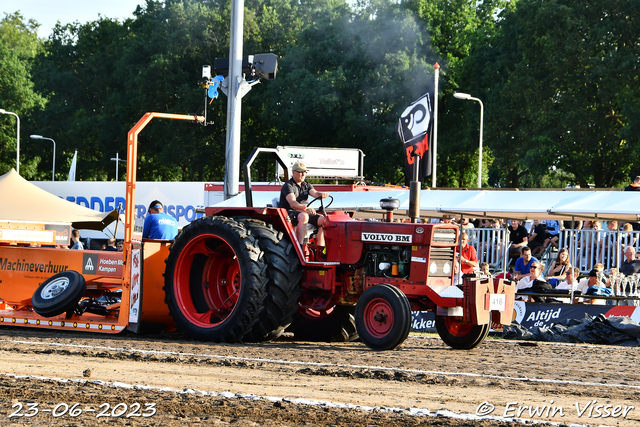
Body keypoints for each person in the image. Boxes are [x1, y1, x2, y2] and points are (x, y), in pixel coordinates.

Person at [279, 161, 329, 246]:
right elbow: (292, 203)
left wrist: (321, 194)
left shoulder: (306, 185)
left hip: (304, 211)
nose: (303, 174)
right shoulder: (288, 186)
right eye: (300, 172)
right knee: (304, 216)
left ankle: (320, 249)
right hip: (289, 213)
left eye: (304, 172)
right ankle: (299, 247)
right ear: (293, 172)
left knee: (325, 221)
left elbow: (315, 193)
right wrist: (306, 209)